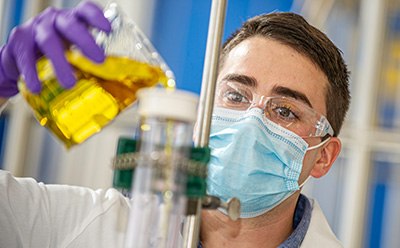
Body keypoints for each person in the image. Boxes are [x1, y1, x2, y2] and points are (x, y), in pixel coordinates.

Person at [0, 1, 350, 247]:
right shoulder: (86, 227)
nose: (250, 122)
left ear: (323, 156)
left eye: (285, 111)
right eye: (236, 95)